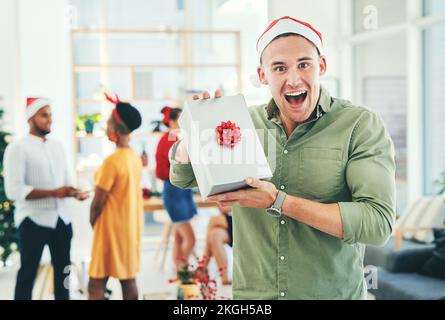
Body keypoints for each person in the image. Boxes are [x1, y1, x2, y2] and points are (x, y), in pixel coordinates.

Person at [169, 16, 396, 299]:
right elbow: (184, 178)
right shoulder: (243, 123)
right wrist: (195, 130)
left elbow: (377, 224)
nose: (293, 79)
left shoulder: (359, 125)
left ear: (321, 66)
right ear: (263, 75)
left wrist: (280, 202)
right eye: (279, 68)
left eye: (304, 64)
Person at [3, 97, 89, 300]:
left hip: (61, 219)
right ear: (30, 119)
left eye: (50, 114)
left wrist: (75, 193)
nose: (49, 119)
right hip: (33, 221)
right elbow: (13, 191)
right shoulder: (17, 148)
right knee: (28, 273)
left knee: (64, 272)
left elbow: (65, 180)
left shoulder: (58, 146)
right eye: (43, 115)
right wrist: (53, 193)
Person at [88, 94, 143, 300]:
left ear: (116, 129)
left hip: (110, 230)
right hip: (129, 229)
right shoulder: (133, 157)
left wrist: (93, 222)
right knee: (128, 279)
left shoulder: (112, 161)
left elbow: (97, 203)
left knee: (95, 283)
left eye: (109, 120)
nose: (107, 125)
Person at [155, 106, 197, 272]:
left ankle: (181, 275)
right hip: (174, 192)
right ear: (172, 121)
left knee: (179, 239)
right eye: (180, 119)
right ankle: (180, 270)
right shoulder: (169, 139)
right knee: (190, 239)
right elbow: (161, 171)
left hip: (182, 192)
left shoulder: (178, 138)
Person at [203, 204, 233, 285]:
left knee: (213, 220)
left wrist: (228, 206)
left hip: (242, 218)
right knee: (214, 235)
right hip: (231, 219)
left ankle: (203, 267)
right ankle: (225, 278)